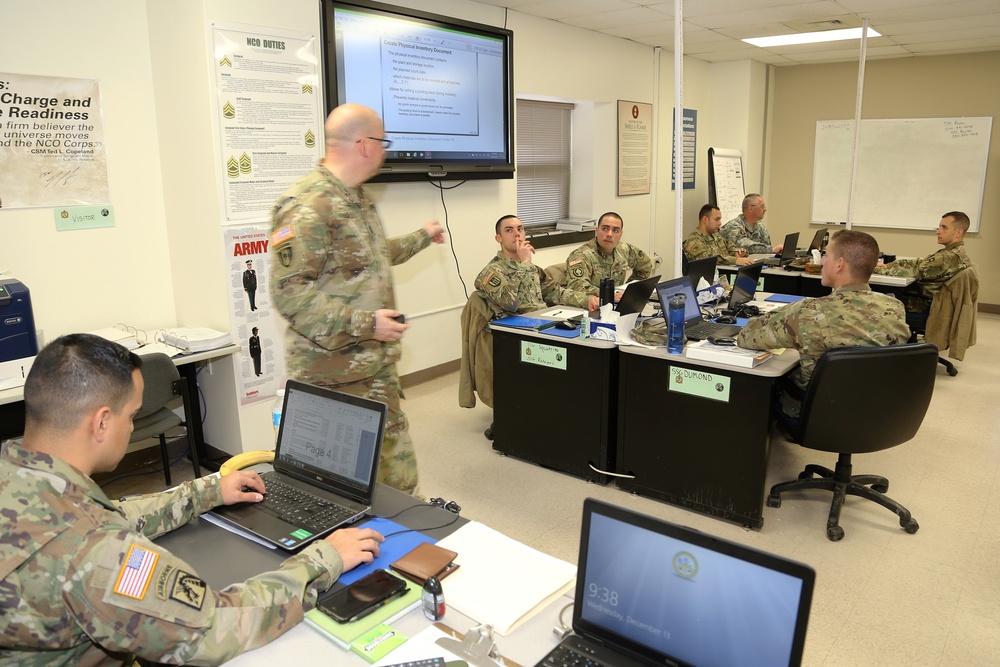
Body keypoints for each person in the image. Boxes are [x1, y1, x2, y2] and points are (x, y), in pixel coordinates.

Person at [0, 333, 384, 665]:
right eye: (132, 415)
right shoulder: (93, 552)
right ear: (101, 422)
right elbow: (216, 626)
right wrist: (323, 558)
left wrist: (208, 490)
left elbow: (110, 514)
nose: (133, 426)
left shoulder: (21, 475)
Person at [269, 104, 444, 495]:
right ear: (364, 144)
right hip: (332, 375)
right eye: (383, 142)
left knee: (397, 483)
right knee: (333, 491)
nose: (385, 150)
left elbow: (371, 258)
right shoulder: (307, 206)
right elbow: (290, 294)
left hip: (375, 369)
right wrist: (368, 325)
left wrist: (422, 235)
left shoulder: (357, 199)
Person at [737, 230, 910, 419]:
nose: (821, 261)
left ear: (839, 264)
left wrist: (782, 313)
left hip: (813, 411)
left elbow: (746, 338)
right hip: (876, 408)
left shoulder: (810, 312)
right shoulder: (895, 307)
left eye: (826, 255)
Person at [475, 215, 598, 318]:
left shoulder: (532, 268)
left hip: (545, 319)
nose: (516, 234)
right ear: (499, 238)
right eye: (509, 230)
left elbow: (555, 293)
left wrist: (586, 300)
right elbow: (510, 303)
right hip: (516, 329)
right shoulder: (491, 272)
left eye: (520, 229)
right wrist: (525, 263)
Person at [873, 211, 972, 312]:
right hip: (928, 299)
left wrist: (874, 269)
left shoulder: (946, 258)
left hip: (922, 304)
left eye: (944, 227)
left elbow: (912, 273)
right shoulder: (956, 252)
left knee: (873, 298)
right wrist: (890, 265)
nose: (938, 231)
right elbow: (919, 263)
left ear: (958, 232)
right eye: (939, 227)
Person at [564, 212, 653, 301]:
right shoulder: (581, 255)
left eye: (615, 230)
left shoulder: (624, 249)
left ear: (620, 234)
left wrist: (629, 291)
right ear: (597, 230)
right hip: (591, 306)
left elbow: (645, 265)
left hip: (616, 304)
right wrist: (609, 295)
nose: (609, 234)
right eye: (605, 228)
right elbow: (577, 286)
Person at [684, 203, 753, 268]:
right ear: (705, 219)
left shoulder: (715, 235)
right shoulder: (694, 240)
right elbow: (708, 259)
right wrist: (735, 260)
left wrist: (736, 252)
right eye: (716, 219)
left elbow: (728, 245)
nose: (720, 223)